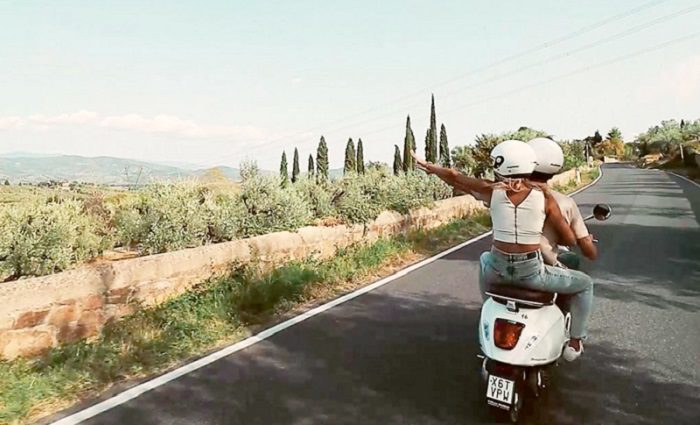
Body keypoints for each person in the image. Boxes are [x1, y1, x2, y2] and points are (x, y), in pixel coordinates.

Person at [411, 140, 593, 361]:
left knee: (485, 256)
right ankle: (575, 341)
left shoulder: (492, 190)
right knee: (585, 284)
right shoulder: (546, 199)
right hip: (532, 273)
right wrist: (585, 238)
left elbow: (455, 177)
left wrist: (429, 167)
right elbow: (568, 239)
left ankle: (489, 305)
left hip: (497, 270)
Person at [526, 137, 596, 266]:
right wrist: (588, 244)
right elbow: (586, 249)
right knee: (584, 282)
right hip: (545, 266)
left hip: (503, 267)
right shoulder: (565, 202)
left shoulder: (504, 195)